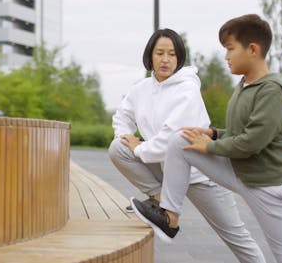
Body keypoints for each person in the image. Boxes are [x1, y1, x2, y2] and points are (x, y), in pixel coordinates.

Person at [131, 14, 282, 263]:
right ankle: (169, 217)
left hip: (268, 185)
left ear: (253, 49)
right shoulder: (245, 85)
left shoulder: (272, 90)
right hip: (240, 172)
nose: (226, 56)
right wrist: (212, 133)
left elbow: (252, 142)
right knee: (181, 140)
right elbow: (240, 132)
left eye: (231, 49)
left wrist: (211, 145)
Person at [109, 28, 266, 262]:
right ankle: (162, 201)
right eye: (160, 53)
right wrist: (126, 137)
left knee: (236, 236)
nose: (165, 59)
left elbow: (169, 139)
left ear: (179, 58)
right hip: (165, 170)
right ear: (150, 56)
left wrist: (138, 147)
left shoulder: (187, 89)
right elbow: (122, 117)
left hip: (201, 173)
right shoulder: (140, 90)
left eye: (172, 54)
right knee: (117, 148)